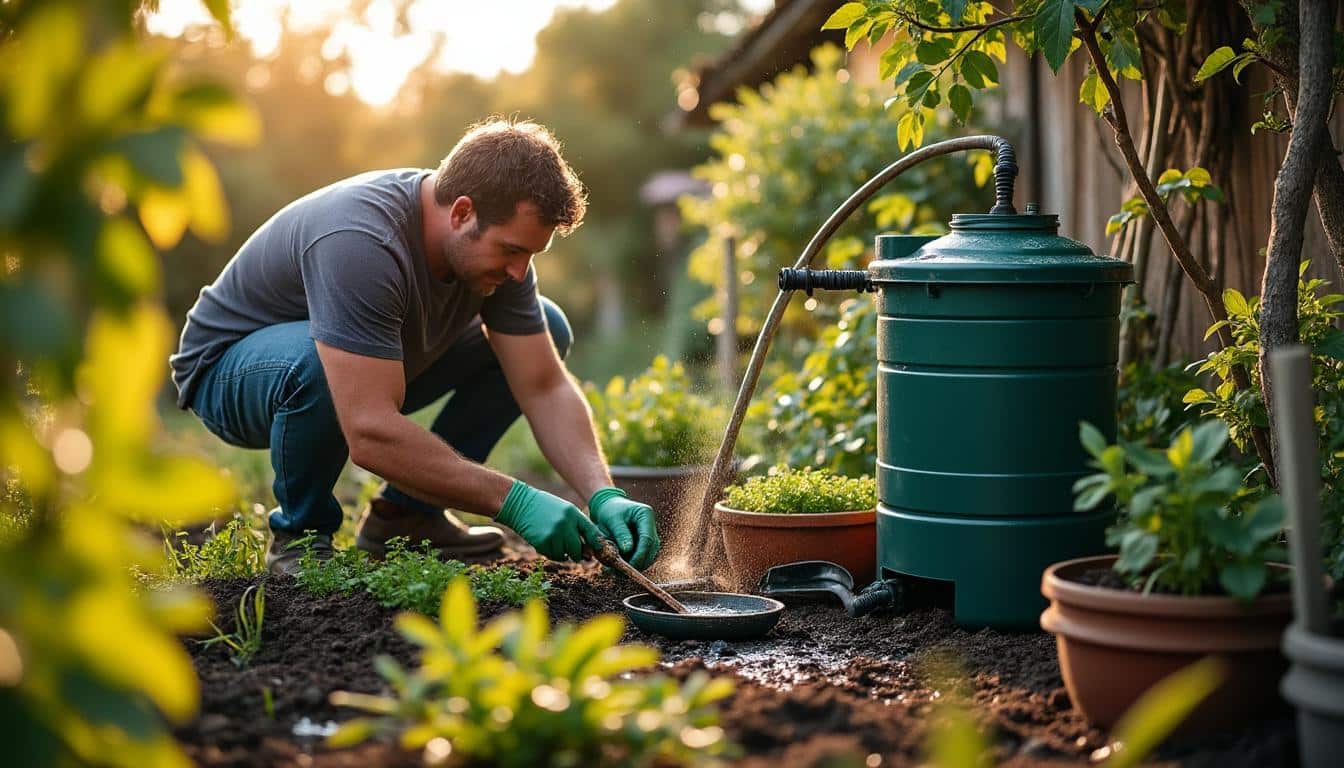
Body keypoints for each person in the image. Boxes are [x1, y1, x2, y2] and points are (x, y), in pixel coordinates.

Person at [170, 118, 660, 576]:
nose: (519, 272)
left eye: (530, 254)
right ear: (463, 212)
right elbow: (369, 429)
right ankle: (300, 539)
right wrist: (515, 501)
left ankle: (405, 516)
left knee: (546, 325)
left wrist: (602, 494)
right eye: (512, 250)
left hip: (361, 362)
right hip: (230, 373)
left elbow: (544, 385)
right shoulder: (362, 239)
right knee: (316, 360)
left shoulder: (495, 256)